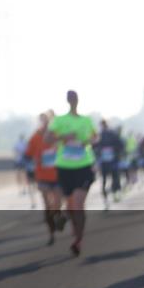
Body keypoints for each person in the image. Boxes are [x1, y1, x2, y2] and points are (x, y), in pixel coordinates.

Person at [44, 90, 97, 257]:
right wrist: (64, 137)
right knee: (71, 204)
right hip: (65, 167)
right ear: (68, 100)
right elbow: (47, 139)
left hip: (84, 165)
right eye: (71, 98)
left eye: (75, 98)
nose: (73, 100)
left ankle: (78, 241)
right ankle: (68, 222)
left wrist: (88, 141)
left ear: (78, 100)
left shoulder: (86, 120)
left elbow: (95, 137)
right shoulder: (59, 120)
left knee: (79, 204)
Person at [25, 112, 64, 245]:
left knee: (57, 204)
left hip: (58, 175)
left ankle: (58, 217)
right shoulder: (35, 137)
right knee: (47, 204)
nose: (45, 123)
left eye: (47, 120)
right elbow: (28, 154)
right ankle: (51, 233)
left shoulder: (58, 135)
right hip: (42, 176)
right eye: (43, 120)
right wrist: (32, 160)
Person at [93, 119, 124, 209]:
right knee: (108, 179)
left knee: (111, 178)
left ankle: (112, 195)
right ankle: (108, 198)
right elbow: (94, 146)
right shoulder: (102, 135)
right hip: (106, 161)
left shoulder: (110, 134)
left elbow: (120, 145)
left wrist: (114, 151)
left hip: (111, 160)